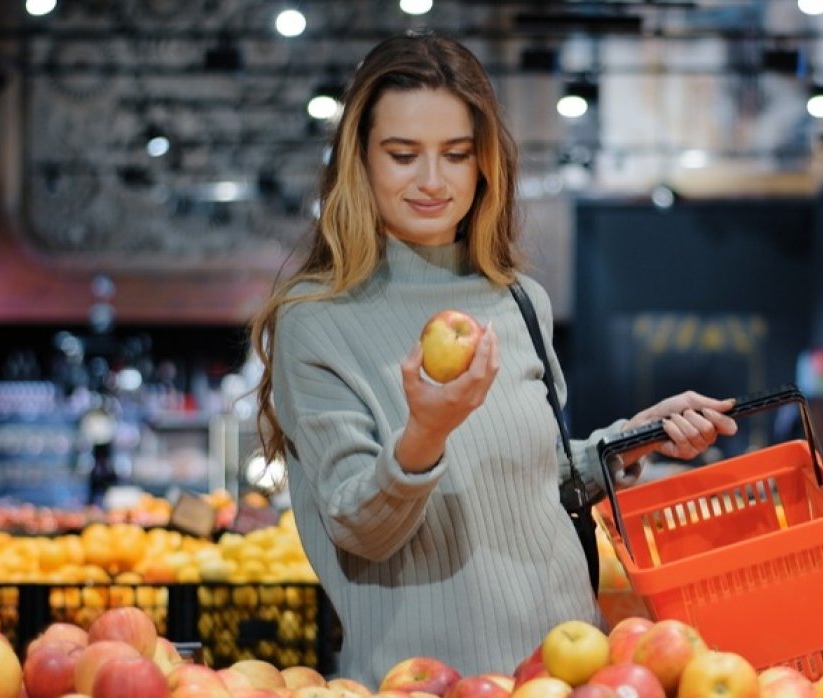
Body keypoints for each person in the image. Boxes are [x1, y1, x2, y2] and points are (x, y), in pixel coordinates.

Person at [248, 33, 738, 685]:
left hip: (567, 674)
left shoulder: (518, 299)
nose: (432, 180)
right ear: (358, 161)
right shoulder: (316, 319)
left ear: (485, 164)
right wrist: (426, 431)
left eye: (456, 154)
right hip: (427, 681)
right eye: (402, 155)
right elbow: (358, 528)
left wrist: (631, 440)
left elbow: (537, 482)